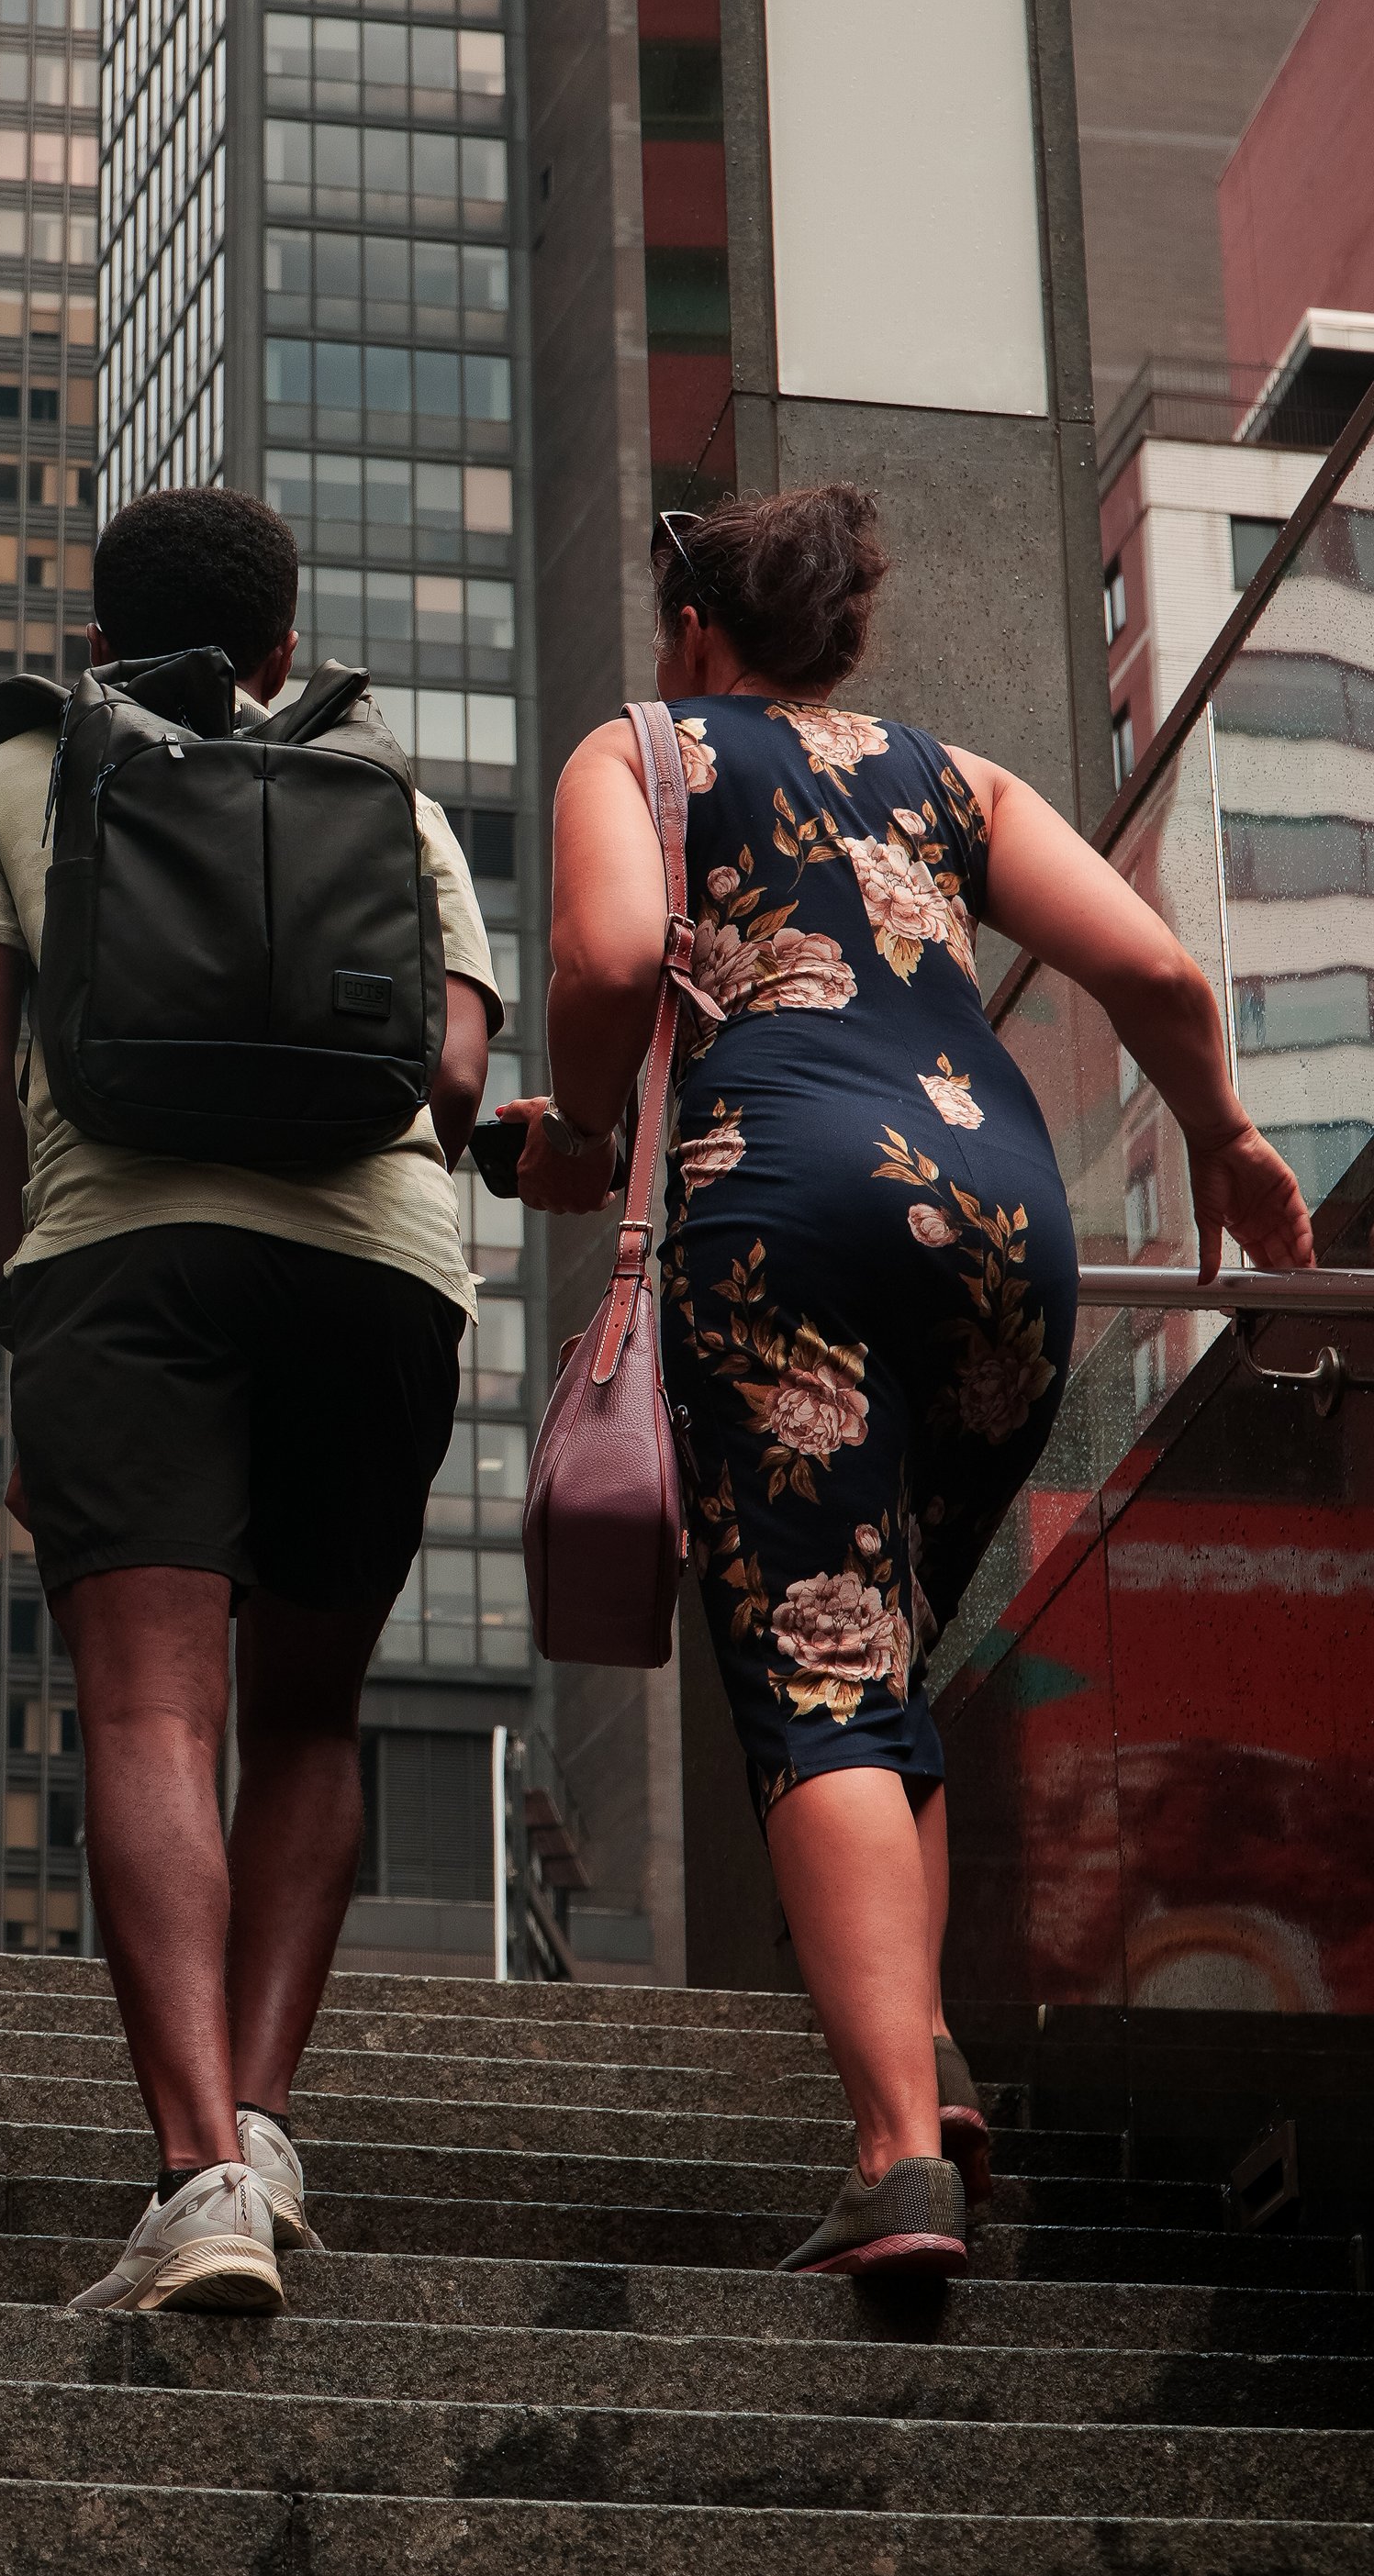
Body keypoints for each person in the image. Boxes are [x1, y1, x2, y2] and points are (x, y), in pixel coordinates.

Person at [511, 482, 1312, 2278]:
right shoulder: (951, 782)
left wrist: (577, 1124)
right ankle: (932, 2067)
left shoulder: (638, 749)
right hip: (995, 1229)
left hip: (781, 1211)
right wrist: (1226, 1143)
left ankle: (890, 2160)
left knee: (812, 1666)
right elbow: (1157, 969)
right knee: (878, 1657)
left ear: (698, 636)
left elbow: (608, 958)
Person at [0, 485, 500, 2314]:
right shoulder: (384, 794)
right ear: (282, 641)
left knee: (148, 1717)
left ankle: (199, 2182)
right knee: (306, 1721)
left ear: (96, 636)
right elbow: (459, 1073)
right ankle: (259, 2111)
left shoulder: (11, 776)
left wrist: (29, 1270)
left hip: (124, 1263)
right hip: (377, 1272)